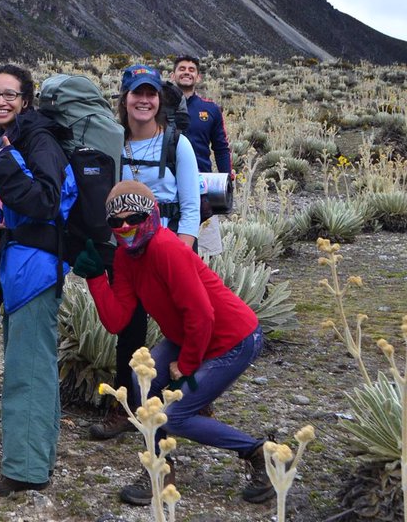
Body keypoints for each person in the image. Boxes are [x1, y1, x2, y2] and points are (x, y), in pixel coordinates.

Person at [74, 180, 272, 505]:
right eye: (116, 222)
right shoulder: (125, 258)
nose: (125, 227)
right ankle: (160, 467)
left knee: (176, 415)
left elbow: (203, 314)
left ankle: (258, 452)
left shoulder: (166, 248)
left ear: (151, 215)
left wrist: (188, 367)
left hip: (233, 338)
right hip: (190, 335)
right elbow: (117, 320)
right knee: (142, 384)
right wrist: (96, 278)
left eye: (133, 218)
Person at [0, 65, 70, 496]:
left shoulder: (36, 140)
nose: (0, 101)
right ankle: (37, 458)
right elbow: (7, 207)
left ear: (26, 100)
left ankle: (25, 471)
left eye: (10, 94)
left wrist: (7, 164)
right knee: (35, 364)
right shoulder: (11, 140)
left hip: (34, 269)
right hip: (22, 266)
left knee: (26, 369)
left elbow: (47, 200)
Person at [90, 64, 201, 441]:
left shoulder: (176, 143)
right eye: (136, 93)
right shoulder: (113, 142)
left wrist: (183, 254)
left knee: (183, 323)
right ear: (125, 99)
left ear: (159, 100)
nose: (144, 100)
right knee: (130, 328)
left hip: (169, 250)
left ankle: (195, 397)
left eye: (150, 94)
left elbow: (190, 206)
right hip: (127, 252)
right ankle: (127, 408)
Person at [172, 55, 232, 254]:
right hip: (169, 184)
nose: (186, 72)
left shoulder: (210, 109)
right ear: (173, 75)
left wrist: (226, 180)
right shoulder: (162, 107)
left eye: (191, 69)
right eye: (182, 68)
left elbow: (221, 147)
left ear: (198, 77)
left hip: (201, 186)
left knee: (207, 252)